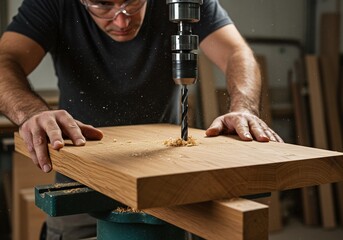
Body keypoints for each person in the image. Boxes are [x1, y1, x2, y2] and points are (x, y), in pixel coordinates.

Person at [0, 0, 283, 239]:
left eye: (133, 3)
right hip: (83, 184)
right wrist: (31, 113)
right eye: (102, 5)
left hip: (170, 182)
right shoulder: (53, 4)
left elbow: (236, 52)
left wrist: (244, 107)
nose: (122, 21)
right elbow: (5, 59)